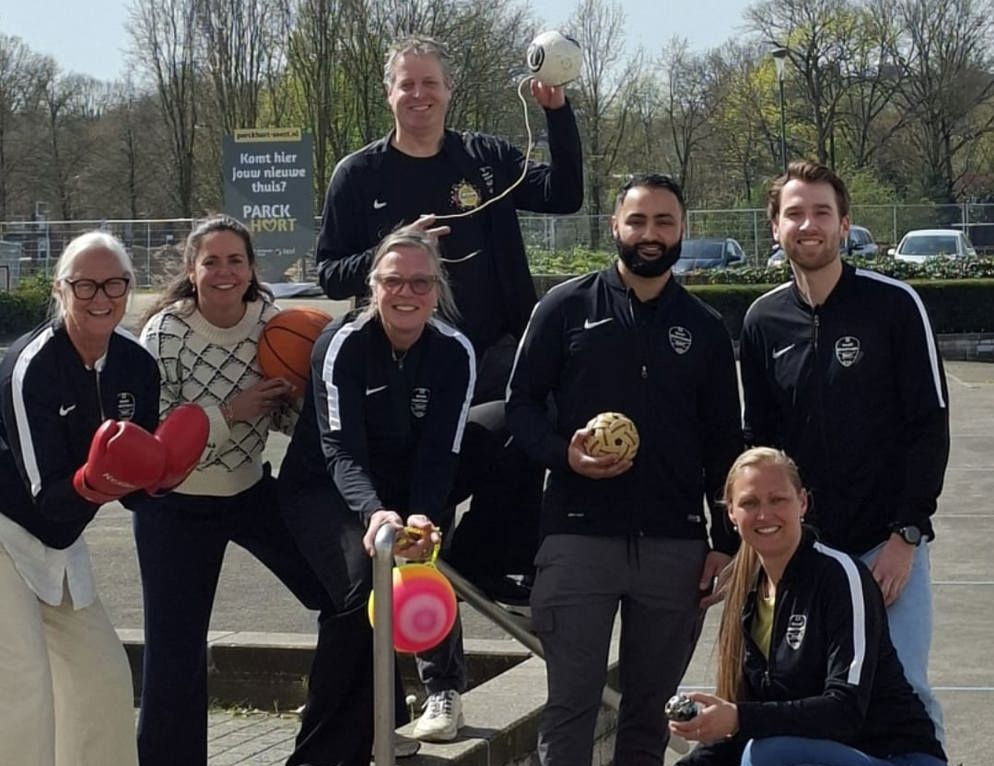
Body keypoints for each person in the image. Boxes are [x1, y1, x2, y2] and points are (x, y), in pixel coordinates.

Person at [314, 32, 584, 738]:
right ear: (389, 93)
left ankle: (491, 563)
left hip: (489, 353)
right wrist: (394, 247)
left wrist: (557, 113)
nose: (419, 95)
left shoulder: (484, 159)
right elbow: (330, 273)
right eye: (407, 84)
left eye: (430, 83)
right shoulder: (359, 174)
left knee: (531, 424)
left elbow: (566, 195)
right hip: (404, 367)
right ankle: (440, 682)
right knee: (414, 514)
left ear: (448, 91)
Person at [505, 173, 743, 766]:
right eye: (637, 221)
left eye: (664, 221)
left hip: (674, 546)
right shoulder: (564, 307)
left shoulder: (705, 328)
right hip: (577, 539)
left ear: (682, 228)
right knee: (570, 707)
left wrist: (724, 541)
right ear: (614, 226)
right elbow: (521, 406)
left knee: (650, 716)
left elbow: (724, 444)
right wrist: (565, 455)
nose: (650, 234)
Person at [738, 160, 949, 741]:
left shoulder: (895, 305)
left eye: (822, 213)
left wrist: (907, 535)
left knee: (905, 691)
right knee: (811, 697)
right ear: (775, 227)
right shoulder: (762, 320)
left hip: (886, 546)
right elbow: (760, 445)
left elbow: (930, 427)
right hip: (804, 552)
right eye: (795, 214)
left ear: (845, 224)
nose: (809, 225)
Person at [135, 215, 347, 766]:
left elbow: (292, 422)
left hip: (250, 490)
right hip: (175, 503)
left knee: (345, 599)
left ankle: (346, 736)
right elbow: (157, 440)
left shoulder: (277, 325)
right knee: (175, 651)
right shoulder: (164, 333)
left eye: (236, 260)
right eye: (211, 261)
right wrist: (231, 412)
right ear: (191, 269)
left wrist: (294, 400)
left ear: (253, 269)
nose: (224, 272)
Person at [0, 231, 199, 766]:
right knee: (23, 686)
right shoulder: (29, 367)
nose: (100, 297)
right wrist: (95, 480)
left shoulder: (136, 364)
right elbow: (48, 496)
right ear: (60, 289)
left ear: (129, 287)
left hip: (60, 541)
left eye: (114, 284)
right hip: (5, 531)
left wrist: (162, 476)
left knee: (103, 678)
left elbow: (137, 494)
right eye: (84, 285)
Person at [278, 226, 477, 756]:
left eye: (420, 282)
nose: (406, 293)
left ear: (437, 290)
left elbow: (442, 452)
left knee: (418, 565)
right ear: (372, 286)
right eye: (393, 281)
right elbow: (340, 450)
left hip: (403, 488)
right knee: (360, 594)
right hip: (323, 487)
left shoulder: (454, 351)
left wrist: (424, 516)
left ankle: (421, 701)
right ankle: (322, 749)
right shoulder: (340, 344)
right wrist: (374, 513)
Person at [670, 447, 947, 766]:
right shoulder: (748, 596)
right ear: (731, 513)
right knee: (758, 751)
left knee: (765, 755)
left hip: (895, 755)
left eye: (777, 500)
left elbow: (845, 711)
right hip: (815, 755)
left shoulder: (841, 576)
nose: (764, 514)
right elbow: (741, 733)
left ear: (802, 502)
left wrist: (738, 718)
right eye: (749, 503)